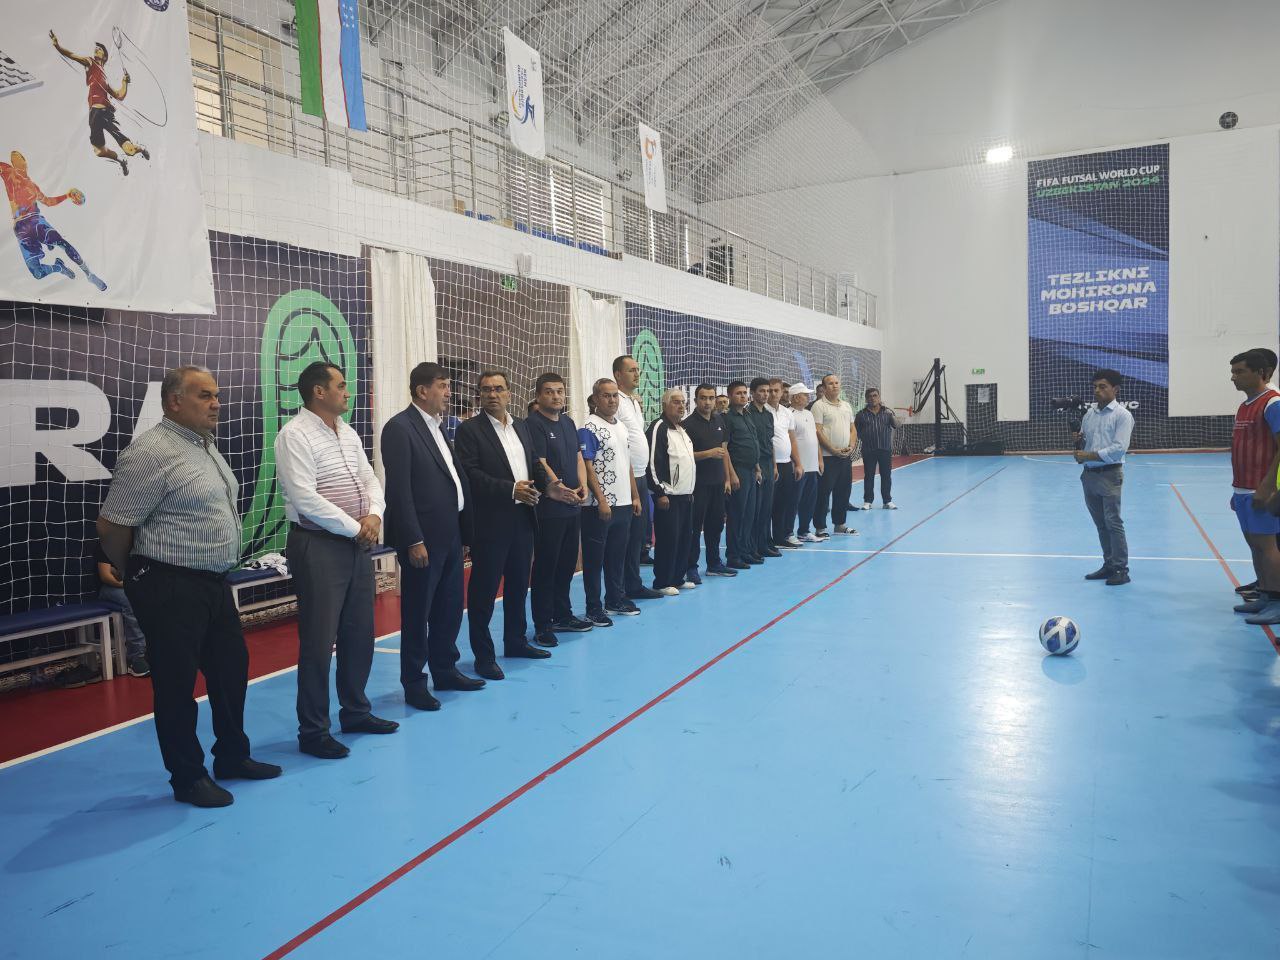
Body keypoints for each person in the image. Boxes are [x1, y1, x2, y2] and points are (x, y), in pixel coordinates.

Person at [97, 365, 281, 808]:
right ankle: (187, 777)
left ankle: (232, 756)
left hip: (213, 583)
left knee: (231, 672)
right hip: (170, 585)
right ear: (174, 401)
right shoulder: (150, 452)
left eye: (216, 395)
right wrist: (134, 572)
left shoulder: (204, 446)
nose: (216, 404)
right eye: (204, 396)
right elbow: (112, 525)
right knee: (176, 686)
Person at [275, 362, 396, 759]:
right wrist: (355, 526)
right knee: (318, 641)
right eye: (340, 385)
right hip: (319, 544)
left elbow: (369, 478)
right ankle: (313, 731)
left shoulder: (347, 431)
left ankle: (356, 711)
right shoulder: (294, 435)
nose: (347, 392)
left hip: (356, 543)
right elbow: (304, 497)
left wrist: (374, 515)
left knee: (359, 633)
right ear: (319, 392)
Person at [381, 362, 484, 711]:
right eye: (442, 385)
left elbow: (452, 479)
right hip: (423, 539)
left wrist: (464, 531)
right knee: (418, 613)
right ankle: (414, 682)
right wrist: (413, 540)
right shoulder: (400, 428)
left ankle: (445, 670)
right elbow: (399, 490)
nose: (449, 392)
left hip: (450, 534)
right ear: (422, 390)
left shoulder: (438, 426)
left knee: (449, 608)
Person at [454, 370, 550, 679]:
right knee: (483, 593)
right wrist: (510, 490)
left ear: (509, 393)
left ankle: (516, 641)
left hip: (523, 517)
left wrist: (552, 486)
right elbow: (470, 475)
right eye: (486, 390)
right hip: (490, 523)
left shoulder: (521, 426)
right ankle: (484, 657)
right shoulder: (469, 430)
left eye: (498, 389)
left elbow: (533, 463)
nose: (492, 394)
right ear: (479, 395)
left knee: (519, 586)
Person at [526, 372, 593, 646]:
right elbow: (540, 463)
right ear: (538, 396)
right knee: (546, 567)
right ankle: (543, 624)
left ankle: (562, 615)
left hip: (572, 506)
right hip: (550, 508)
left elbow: (578, 457)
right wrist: (560, 490)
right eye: (549, 391)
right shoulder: (533, 424)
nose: (555, 396)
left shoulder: (568, 422)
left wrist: (583, 485)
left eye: (559, 391)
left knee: (566, 564)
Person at [579, 378, 643, 624]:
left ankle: (615, 599)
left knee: (617, 556)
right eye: (606, 396)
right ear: (596, 399)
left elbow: (627, 463)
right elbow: (587, 466)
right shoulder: (589, 427)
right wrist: (601, 500)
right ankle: (593, 608)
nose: (612, 400)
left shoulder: (622, 427)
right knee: (595, 560)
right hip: (599, 507)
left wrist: (635, 495)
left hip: (624, 503)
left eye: (615, 395)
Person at [0, 151, 106, 290]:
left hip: (36, 221)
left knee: (62, 243)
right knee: (37, 273)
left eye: (18, 157)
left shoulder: (33, 186)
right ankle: (58, 267)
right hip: (21, 228)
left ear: (25, 162)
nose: (14, 159)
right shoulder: (8, 172)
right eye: (13, 159)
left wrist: (67, 195)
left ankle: (89, 274)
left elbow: (49, 202)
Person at [1227, 349, 1280, 624]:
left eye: (1239, 371)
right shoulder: (1245, 405)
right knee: (1255, 545)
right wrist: (1236, 489)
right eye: (1232, 372)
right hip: (1243, 489)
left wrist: (1266, 488)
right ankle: (1265, 595)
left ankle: (1278, 602)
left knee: (1267, 546)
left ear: (1260, 373)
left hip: (1260, 490)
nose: (1233, 377)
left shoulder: (1273, 403)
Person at [50, 32, 150, 175]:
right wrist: (58, 46)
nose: (96, 49)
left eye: (100, 49)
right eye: (96, 48)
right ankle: (121, 160)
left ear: (104, 56)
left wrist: (124, 82)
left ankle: (140, 149)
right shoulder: (91, 64)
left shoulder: (101, 73)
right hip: (94, 115)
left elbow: (119, 95)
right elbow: (72, 56)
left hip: (104, 112)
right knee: (99, 151)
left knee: (129, 150)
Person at [1073, 369, 1134, 587]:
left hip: (1109, 475)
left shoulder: (1122, 416)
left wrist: (1088, 455)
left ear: (1115, 389)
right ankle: (1109, 564)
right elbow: (1085, 444)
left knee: (1113, 523)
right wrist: (1078, 442)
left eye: (1102, 386)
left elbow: (1118, 449)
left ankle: (1121, 569)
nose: (1097, 390)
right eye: (1095, 387)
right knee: (1101, 524)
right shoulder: (1089, 415)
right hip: (1089, 476)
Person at [613, 355, 663, 600]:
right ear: (618, 375)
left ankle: (633, 584)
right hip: (627, 477)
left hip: (641, 475)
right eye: (631, 370)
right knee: (626, 537)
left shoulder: (632, 401)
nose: (637, 374)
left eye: (638, 370)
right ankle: (621, 588)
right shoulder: (617, 401)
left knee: (637, 536)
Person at [683, 383, 738, 580]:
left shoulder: (719, 420)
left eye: (711, 398)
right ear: (695, 400)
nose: (707, 402)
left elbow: (723, 451)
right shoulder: (687, 425)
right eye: (703, 398)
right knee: (694, 527)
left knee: (715, 526)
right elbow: (685, 456)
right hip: (698, 485)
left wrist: (727, 478)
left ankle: (714, 564)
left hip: (717, 483)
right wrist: (708, 453)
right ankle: (690, 567)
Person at [646, 389, 697, 595]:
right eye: (676, 402)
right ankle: (662, 581)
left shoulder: (682, 429)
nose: (681, 406)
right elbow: (652, 463)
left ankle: (677, 577)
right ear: (665, 405)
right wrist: (660, 492)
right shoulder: (659, 427)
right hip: (668, 496)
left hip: (686, 494)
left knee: (684, 539)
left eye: (683, 402)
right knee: (668, 540)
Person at [812, 374, 858, 538]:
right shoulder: (819, 406)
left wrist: (851, 446)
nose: (834, 385)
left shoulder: (846, 405)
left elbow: (853, 429)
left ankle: (840, 525)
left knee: (843, 492)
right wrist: (832, 450)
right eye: (830, 383)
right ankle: (820, 528)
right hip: (827, 458)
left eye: (837, 382)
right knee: (823, 493)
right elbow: (817, 431)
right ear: (824, 388)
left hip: (845, 457)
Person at [94, 540, 148, 677]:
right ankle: (136, 658)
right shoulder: (108, 544)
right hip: (109, 588)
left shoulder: (142, 546)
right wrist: (129, 586)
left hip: (132, 586)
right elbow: (105, 576)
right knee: (132, 600)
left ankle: (155, 651)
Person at [723, 380, 762, 569]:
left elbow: (753, 441)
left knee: (749, 514)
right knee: (737, 515)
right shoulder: (727, 418)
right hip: (738, 471)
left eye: (744, 393)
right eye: (738, 393)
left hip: (751, 470)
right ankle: (733, 555)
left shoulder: (747, 415)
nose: (743, 396)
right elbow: (725, 449)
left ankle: (745, 551)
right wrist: (731, 475)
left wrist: (757, 467)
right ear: (730, 396)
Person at [768, 378, 804, 549]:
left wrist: (798, 463)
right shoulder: (762, 411)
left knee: (783, 502)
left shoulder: (787, 413)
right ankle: (765, 540)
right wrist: (773, 465)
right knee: (768, 505)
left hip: (786, 464)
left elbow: (792, 440)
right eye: (770, 390)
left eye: (776, 390)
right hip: (770, 465)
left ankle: (779, 537)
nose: (773, 394)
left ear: (782, 392)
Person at [747, 378, 779, 559]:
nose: (766, 394)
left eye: (767, 391)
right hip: (756, 465)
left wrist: (774, 465)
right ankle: (754, 547)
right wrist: (757, 467)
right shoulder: (748, 414)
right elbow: (753, 444)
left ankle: (765, 543)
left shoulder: (768, 415)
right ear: (753, 393)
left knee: (767, 507)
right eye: (762, 391)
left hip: (768, 464)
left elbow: (770, 442)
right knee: (756, 509)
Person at [788, 384, 824, 543]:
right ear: (796, 397)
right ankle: (788, 533)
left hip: (812, 466)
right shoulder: (789, 414)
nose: (808, 397)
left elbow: (814, 438)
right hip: (798, 467)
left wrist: (819, 459)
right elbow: (790, 441)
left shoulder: (809, 413)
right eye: (805, 394)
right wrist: (797, 463)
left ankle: (804, 531)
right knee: (793, 501)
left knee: (809, 501)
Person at [854, 388, 899, 510]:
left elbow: (896, 425)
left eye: (875, 395)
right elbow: (856, 431)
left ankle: (887, 501)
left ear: (879, 397)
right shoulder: (861, 414)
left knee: (886, 475)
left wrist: (893, 415)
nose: (872, 398)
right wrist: (864, 437)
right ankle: (868, 501)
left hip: (885, 449)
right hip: (868, 450)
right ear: (866, 399)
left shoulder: (887, 413)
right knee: (869, 476)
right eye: (870, 396)